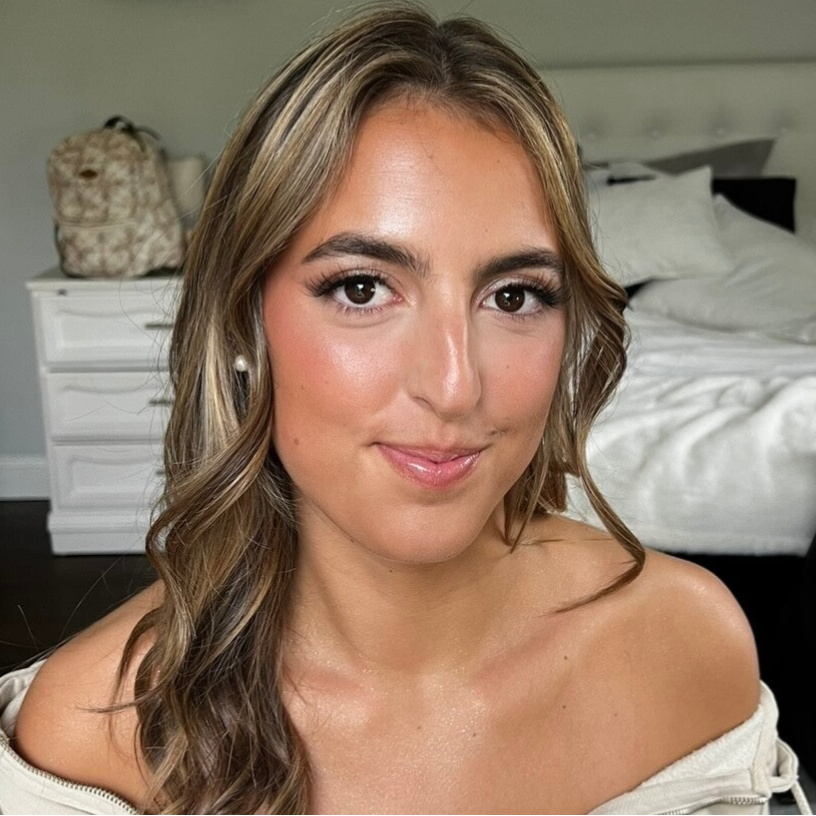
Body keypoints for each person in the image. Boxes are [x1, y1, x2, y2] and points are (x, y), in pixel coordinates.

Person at [0, 2, 810, 814]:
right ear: (244, 322)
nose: (455, 387)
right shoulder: (92, 733)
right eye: (362, 289)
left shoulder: (684, 647)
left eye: (515, 295)